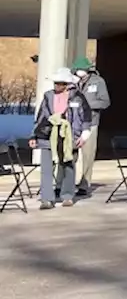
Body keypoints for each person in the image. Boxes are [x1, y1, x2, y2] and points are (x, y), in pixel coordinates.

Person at [29, 68, 90, 209]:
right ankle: (47, 199)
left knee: (68, 165)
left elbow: (86, 117)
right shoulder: (48, 96)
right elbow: (41, 117)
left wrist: (84, 134)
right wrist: (34, 135)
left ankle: (67, 196)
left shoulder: (78, 97)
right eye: (56, 83)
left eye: (61, 83)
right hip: (47, 135)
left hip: (69, 135)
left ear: (68, 84)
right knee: (46, 168)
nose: (57, 86)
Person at [70, 56, 110, 197]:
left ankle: (84, 184)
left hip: (91, 123)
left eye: (81, 69)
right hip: (73, 123)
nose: (79, 72)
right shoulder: (72, 82)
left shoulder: (98, 82)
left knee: (87, 155)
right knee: (70, 154)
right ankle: (68, 182)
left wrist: (86, 106)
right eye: (77, 70)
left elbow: (105, 102)